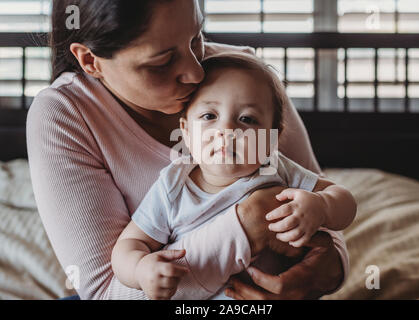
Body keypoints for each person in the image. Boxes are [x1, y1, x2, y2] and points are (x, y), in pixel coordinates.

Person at [27, 0, 349, 300]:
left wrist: (327, 270)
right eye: (163, 61)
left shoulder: (248, 78)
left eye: (196, 38)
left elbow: (328, 213)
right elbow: (109, 289)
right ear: (90, 60)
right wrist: (248, 223)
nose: (196, 71)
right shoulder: (67, 116)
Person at [111, 53, 357, 300]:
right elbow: (129, 246)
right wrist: (140, 270)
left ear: (272, 138)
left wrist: (323, 206)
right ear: (185, 131)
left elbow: (343, 199)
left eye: (247, 119)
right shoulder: (173, 185)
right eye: (210, 116)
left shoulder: (277, 170)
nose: (226, 131)